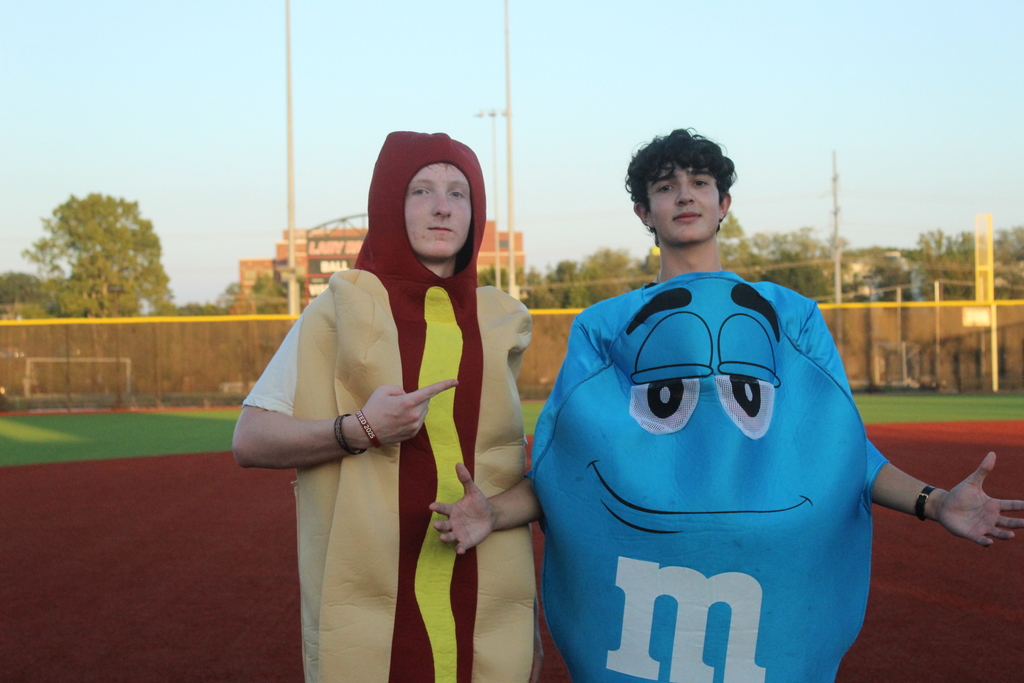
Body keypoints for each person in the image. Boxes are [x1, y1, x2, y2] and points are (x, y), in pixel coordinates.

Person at [431, 129, 1024, 682]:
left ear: (724, 204)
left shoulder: (792, 318)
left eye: (699, 184)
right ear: (644, 213)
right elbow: (571, 474)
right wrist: (492, 514)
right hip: (643, 616)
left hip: (767, 609)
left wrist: (937, 501)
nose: (684, 197)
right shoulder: (604, 328)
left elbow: (840, 457)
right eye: (665, 188)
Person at [233, 131, 540, 683]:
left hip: (483, 601)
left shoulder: (501, 323)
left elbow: (526, 471)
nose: (442, 206)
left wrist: (494, 519)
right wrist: (363, 428)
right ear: (388, 205)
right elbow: (250, 439)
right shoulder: (339, 308)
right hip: (370, 609)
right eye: (421, 190)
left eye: (459, 192)